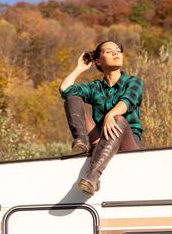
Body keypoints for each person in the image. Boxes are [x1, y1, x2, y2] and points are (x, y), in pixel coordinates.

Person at [59, 40, 143, 195]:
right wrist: (79, 69)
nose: (116, 53)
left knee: (119, 120)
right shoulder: (95, 87)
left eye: (118, 50)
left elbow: (128, 101)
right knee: (72, 98)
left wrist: (110, 115)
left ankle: (92, 177)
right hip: (99, 141)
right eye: (109, 51)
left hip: (127, 144)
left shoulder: (133, 82)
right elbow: (65, 90)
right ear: (98, 61)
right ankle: (82, 141)